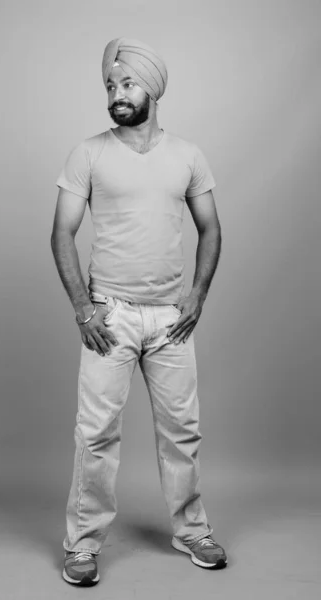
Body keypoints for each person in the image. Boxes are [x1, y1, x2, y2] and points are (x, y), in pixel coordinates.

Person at [51, 37, 227, 587]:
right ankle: (82, 545)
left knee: (183, 433)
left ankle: (192, 530)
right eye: (110, 84)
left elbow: (211, 228)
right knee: (96, 434)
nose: (116, 93)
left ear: (151, 88)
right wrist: (84, 308)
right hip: (112, 315)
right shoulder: (89, 153)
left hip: (171, 318)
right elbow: (61, 232)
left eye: (126, 83)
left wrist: (197, 294)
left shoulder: (188, 156)